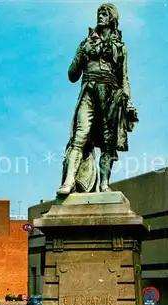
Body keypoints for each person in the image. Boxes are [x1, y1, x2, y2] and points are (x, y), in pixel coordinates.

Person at [57, 3, 139, 195]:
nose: (100, 16)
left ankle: (103, 184)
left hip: (111, 95)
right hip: (89, 91)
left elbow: (124, 77)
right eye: (99, 13)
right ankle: (68, 182)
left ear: (112, 18)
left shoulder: (120, 48)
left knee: (108, 142)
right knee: (80, 135)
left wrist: (129, 102)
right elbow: (72, 74)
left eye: (104, 13)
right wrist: (83, 54)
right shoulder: (86, 42)